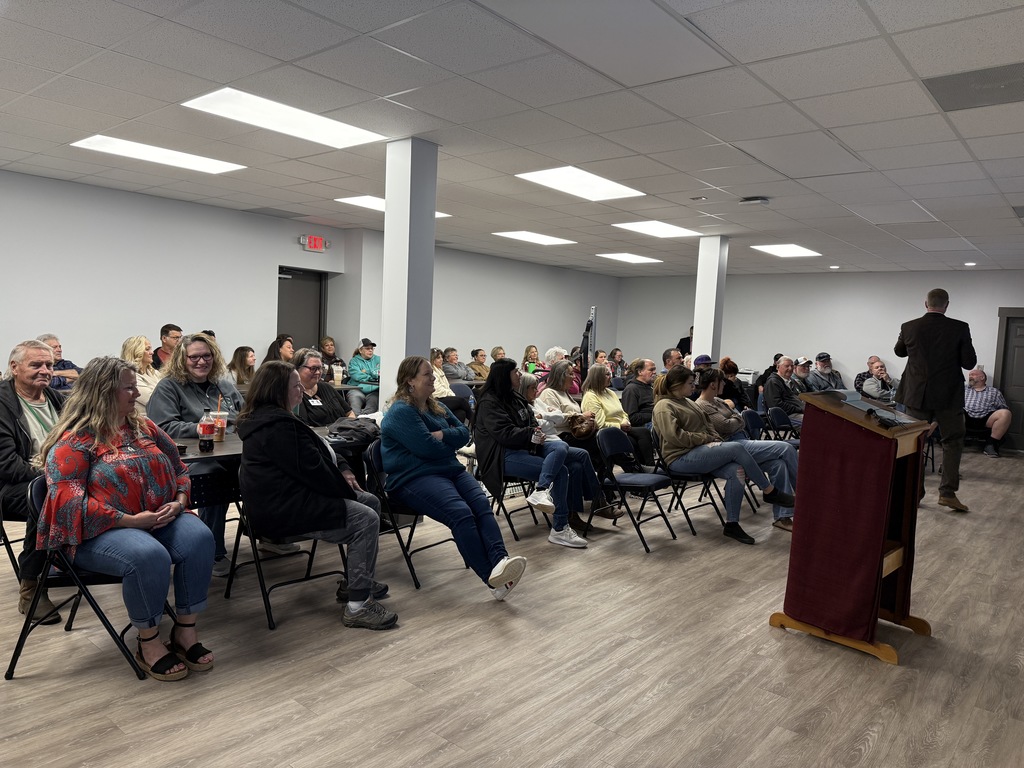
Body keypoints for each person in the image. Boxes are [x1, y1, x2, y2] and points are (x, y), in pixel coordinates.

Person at [36, 356, 215, 681]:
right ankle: (147, 641)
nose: (136, 393)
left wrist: (178, 501)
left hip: (158, 518)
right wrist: (130, 521)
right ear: (104, 392)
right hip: (95, 534)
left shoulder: (144, 427)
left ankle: (185, 631)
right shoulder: (75, 442)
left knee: (201, 538)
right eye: (128, 387)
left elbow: (179, 469)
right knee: (148, 555)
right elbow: (68, 504)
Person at [236, 360, 397, 628]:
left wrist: (343, 468)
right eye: (296, 385)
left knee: (369, 500)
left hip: (292, 496)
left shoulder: (276, 418)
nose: (302, 390)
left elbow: (321, 453)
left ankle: (356, 582)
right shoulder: (277, 426)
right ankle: (358, 606)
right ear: (277, 391)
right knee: (366, 517)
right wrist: (344, 487)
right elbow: (315, 471)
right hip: (282, 509)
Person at [381, 356, 527, 600]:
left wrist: (440, 436)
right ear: (410, 381)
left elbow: (463, 433)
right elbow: (429, 448)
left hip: (447, 470)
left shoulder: (434, 405)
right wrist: (444, 441)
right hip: (413, 477)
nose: (434, 378)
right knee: (461, 514)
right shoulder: (401, 412)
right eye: (427, 374)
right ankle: (493, 580)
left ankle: (501, 561)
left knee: (481, 505)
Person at [652, 365, 795, 545]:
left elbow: (708, 424)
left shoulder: (687, 401)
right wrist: (705, 438)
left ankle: (732, 524)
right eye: (690, 383)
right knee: (736, 448)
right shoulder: (664, 406)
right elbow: (675, 437)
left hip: (699, 450)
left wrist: (713, 438)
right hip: (680, 457)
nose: (693, 387)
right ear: (678, 384)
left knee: (737, 470)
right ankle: (769, 490)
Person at [147, 332, 250, 573]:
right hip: (190, 459)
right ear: (182, 359)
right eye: (195, 357)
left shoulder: (223, 385)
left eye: (207, 356)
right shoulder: (169, 387)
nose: (202, 362)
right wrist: (203, 428)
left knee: (262, 468)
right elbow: (162, 428)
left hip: (232, 451)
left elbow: (245, 415)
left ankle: (268, 534)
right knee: (213, 476)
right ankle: (212, 551)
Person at [475, 359, 599, 548]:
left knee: (563, 448)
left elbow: (531, 419)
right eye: (515, 371)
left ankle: (542, 492)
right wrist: (532, 433)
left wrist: (535, 431)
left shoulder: (514, 396)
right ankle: (559, 527)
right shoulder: (489, 402)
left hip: (526, 445)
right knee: (562, 471)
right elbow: (504, 434)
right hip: (503, 455)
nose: (519, 374)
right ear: (504, 376)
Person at [895, 288, 977, 512]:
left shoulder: (909, 326)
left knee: (915, 444)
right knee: (952, 442)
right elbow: (969, 362)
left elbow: (899, 352)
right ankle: (947, 493)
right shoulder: (960, 327)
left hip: (916, 395)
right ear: (947, 305)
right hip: (948, 396)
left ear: (925, 304)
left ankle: (914, 495)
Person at [1, 340, 65, 624]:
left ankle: (73, 560)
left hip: (57, 478)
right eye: (36, 364)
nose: (45, 370)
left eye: (49, 365)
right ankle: (31, 587)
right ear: (14, 368)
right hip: (11, 485)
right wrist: (51, 477)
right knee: (46, 497)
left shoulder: (56, 399)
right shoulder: (2, 403)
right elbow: (6, 464)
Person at [694, 368, 798, 531]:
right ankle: (803, 495)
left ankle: (783, 516)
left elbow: (737, 419)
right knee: (786, 448)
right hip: (731, 446)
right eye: (722, 381)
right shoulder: (702, 405)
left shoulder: (718, 402)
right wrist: (736, 417)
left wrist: (735, 418)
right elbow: (727, 425)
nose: (725, 384)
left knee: (778, 465)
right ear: (713, 385)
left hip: (742, 442)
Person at [519, 372, 620, 522]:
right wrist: (549, 416)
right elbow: (544, 425)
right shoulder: (528, 405)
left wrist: (546, 416)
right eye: (533, 388)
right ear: (523, 389)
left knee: (576, 467)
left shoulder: (537, 403)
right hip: (547, 444)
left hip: (556, 440)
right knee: (587, 452)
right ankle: (599, 499)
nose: (536, 391)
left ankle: (573, 514)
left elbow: (558, 417)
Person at [582, 363, 654, 466]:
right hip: (608, 432)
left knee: (644, 432)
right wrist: (620, 426)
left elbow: (623, 412)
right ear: (598, 377)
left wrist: (625, 421)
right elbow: (599, 424)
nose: (610, 377)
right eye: (607, 375)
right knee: (632, 441)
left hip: (622, 428)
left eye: (610, 374)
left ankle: (648, 466)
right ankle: (637, 468)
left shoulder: (609, 392)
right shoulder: (591, 397)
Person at [292, 348, 354, 426]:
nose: (318, 372)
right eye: (313, 368)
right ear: (298, 369)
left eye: (320, 368)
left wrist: (347, 428)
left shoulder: (327, 387)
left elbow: (350, 413)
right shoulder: (294, 395)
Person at [965, 369, 1011, 458]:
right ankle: (950, 442)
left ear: (982, 377)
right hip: (965, 416)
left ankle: (991, 445)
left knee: (1005, 413)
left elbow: (1002, 407)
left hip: (985, 419)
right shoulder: (964, 389)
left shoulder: (994, 391)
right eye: (970, 375)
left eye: (973, 374)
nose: (970, 376)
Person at [120, 335, 163, 416]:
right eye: (147, 349)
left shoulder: (154, 373)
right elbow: (154, 400)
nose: (152, 352)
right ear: (136, 352)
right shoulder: (129, 377)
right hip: (143, 423)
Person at [429, 348, 472, 424]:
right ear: (432, 359)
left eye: (442, 357)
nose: (441, 359)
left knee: (461, 412)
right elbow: (438, 391)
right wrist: (452, 396)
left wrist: (452, 395)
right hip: (436, 400)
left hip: (444, 397)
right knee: (461, 401)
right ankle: (477, 423)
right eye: (438, 358)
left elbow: (447, 387)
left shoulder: (440, 370)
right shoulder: (432, 372)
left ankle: (457, 433)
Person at [763, 356, 805, 427]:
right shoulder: (773, 382)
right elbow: (776, 405)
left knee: (820, 419)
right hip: (784, 416)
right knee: (812, 423)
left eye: (792, 366)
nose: (790, 369)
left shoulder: (792, 381)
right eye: (787, 366)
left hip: (798, 413)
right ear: (778, 367)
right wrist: (799, 409)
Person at [621, 358, 656, 430]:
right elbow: (632, 418)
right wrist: (655, 415)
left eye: (655, 369)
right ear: (640, 372)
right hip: (644, 425)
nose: (655, 372)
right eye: (651, 370)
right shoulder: (631, 389)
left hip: (654, 420)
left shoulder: (651, 387)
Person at [347, 338, 380, 415]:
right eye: (367, 348)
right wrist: (372, 377)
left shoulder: (379, 359)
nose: (370, 350)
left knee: (372, 407)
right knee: (355, 407)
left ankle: (364, 422)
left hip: (373, 391)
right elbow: (357, 376)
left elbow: (382, 374)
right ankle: (354, 423)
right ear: (360, 350)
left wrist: (368, 373)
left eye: (372, 348)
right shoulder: (354, 361)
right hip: (357, 389)